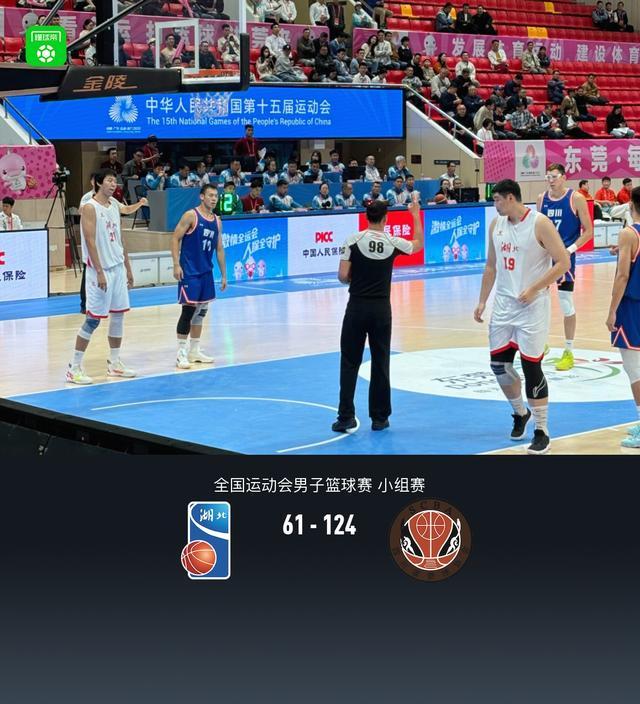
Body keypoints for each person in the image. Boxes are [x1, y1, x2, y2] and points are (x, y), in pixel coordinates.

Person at [474, 179, 571, 454]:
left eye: (497, 200)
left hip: (532, 306)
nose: (494, 205)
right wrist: (482, 301)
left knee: (531, 367)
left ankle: (542, 430)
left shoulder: (540, 223)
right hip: (504, 305)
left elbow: (563, 262)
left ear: (511, 198)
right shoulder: (496, 225)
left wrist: (535, 288)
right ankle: (520, 412)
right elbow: (491, 266)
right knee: (499, 366)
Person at [332, 196, 424, 433]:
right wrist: (415, 215)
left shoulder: (353, 240)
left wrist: (356, 279)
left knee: (349, 361)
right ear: (385, 219)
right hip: (381, 310)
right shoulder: (392, 242)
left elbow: (342, 275)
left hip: (356, 307)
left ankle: (345, 416)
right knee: (381, 361)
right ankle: (379, 418)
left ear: (366, 217)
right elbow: (418, 245)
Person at [66, 170, 137, 385]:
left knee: (118, 316)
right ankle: (73, 368)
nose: (113, 184)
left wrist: (128, 268)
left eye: (115, 181)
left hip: (118, 268)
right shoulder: (90, 207)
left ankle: (114, 363)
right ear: (98, 183)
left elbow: (120, 239)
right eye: (109, 180)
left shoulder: (114, 205)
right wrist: (99, 271)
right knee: (93, 320)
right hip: (101, 270)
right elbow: (89, 241)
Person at [537, 163, 593, 371]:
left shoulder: (575, 198)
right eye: (548, 177)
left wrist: (570, 250)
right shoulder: (541, 199)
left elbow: (588, 231)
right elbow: (537, 229)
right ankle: (541, 343)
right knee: (538, 299)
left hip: (564, 258)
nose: (550, 180)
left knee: (566, 303)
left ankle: (569, 351)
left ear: (563, 177)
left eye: (554, 176)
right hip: (544, 257)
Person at [171, 184, 226, 370]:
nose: (214, 198)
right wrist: (176, 264)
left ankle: (194, 350)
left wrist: (224, 275)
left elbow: (219, 248)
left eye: (216, 196)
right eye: (210, 195)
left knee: (201, 312)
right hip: (190, 272)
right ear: (202, 197)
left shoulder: (217, 221)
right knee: (188, 311)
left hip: (206, 273)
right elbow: (175, 238)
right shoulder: (191, 215)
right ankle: (181, 352)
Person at [607, 186, 640, 447]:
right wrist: (622, 251)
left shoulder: (628, 233)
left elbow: (622, 276)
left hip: (632, 307)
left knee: (634, 369)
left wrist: (611, 310)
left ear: (630, 205)